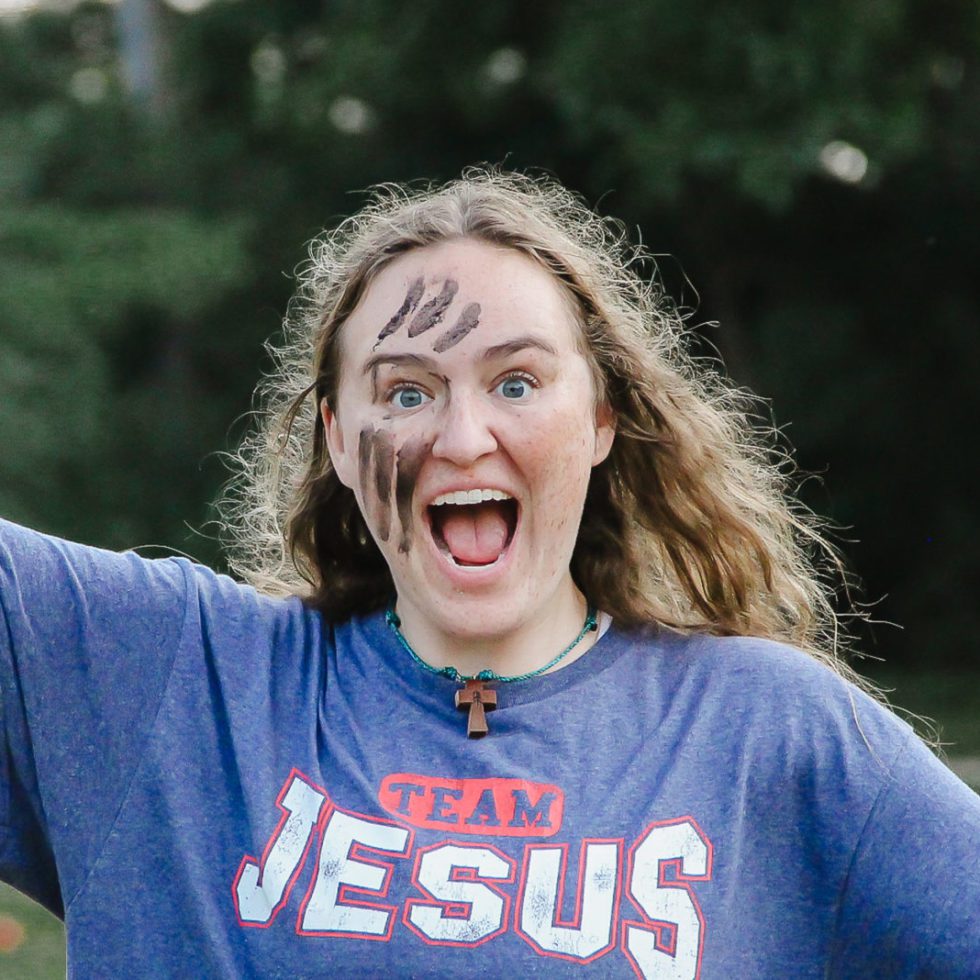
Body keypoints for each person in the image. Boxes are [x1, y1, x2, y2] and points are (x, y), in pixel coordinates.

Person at [1, 169, 978, 978]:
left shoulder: (764, 730)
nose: (463, 437)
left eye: (515, 381)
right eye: (406, 390)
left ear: (601, 418)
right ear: (338, 438)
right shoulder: (161, 675)